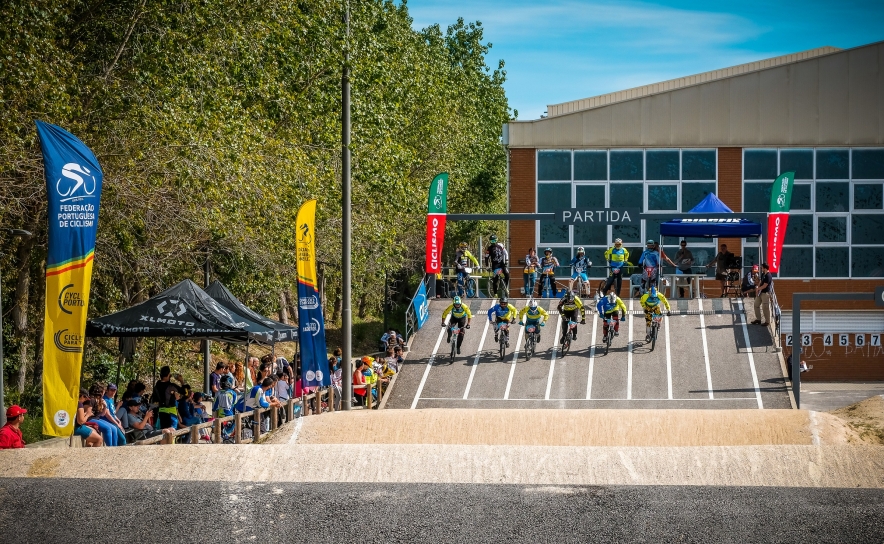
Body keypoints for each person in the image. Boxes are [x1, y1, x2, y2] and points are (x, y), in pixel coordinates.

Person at [153, 366, 185, 430]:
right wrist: (181, 381)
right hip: (171, 413)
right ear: (168, 375)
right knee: (171, 433)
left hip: (161, 413)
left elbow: (154, 401)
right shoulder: (170, 386)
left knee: (163, 432)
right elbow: (185, 392)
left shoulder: (156, 387)